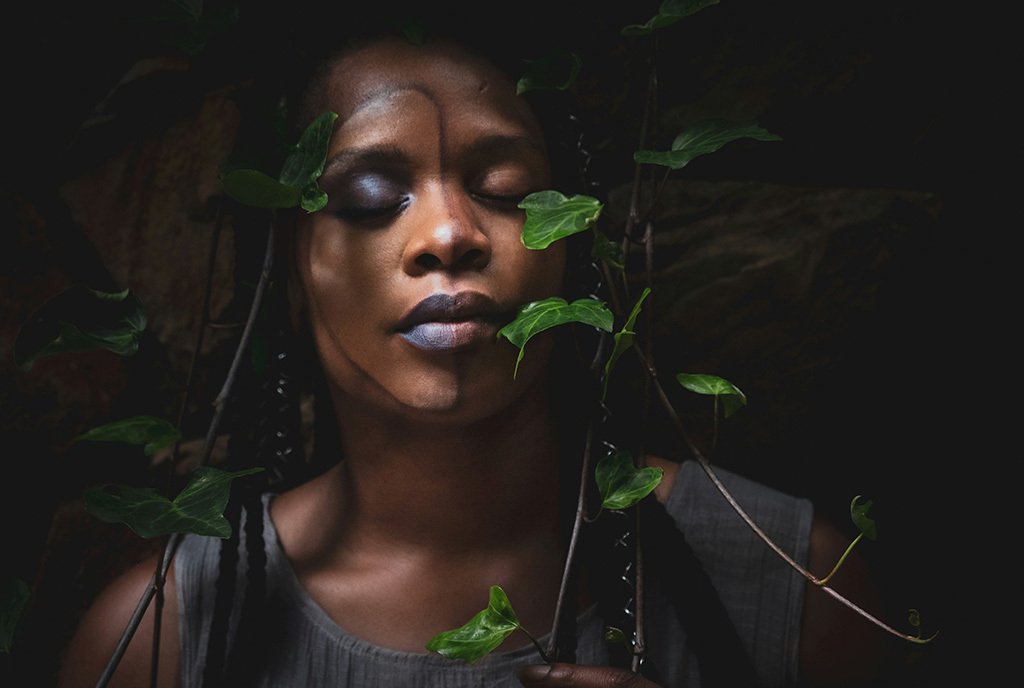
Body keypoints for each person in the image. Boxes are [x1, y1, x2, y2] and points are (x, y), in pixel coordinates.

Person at [56, 6, 887, 687]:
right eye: (372, 198)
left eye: (507, 192)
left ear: (573, 241)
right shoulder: (160, 643)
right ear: (289, 270)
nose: (448, 232)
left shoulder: (799, 586)